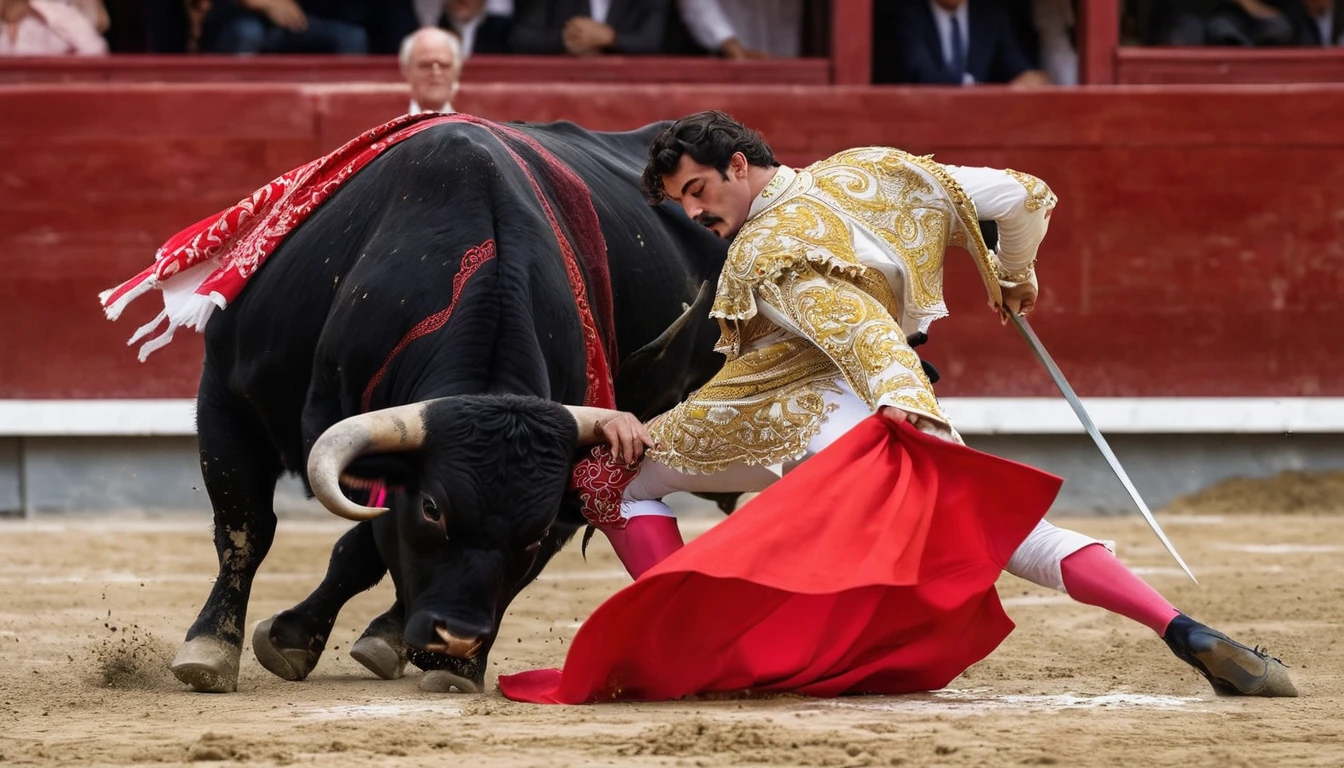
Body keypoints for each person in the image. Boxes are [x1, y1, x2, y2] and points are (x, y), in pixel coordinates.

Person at [579, 110, 1294, 698]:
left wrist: (896, 397)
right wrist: (1015, 273)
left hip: (803, 415)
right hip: (891, 399)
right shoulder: (873, 170)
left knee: (606, 476)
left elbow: (846, 321)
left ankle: (695, 652)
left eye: (700, 189)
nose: (697, 212)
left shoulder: (769, 248)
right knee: (1009, 532)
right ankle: (1181, 629)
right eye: (684, 203)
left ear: (739, 164)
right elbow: (1023, 197)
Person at [399, 26, 463, 115]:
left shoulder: (476, 127)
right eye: (426, 65)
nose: (436, 73)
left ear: (457, 71)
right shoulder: (386, 127)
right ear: (406, 70)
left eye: (444, 65)